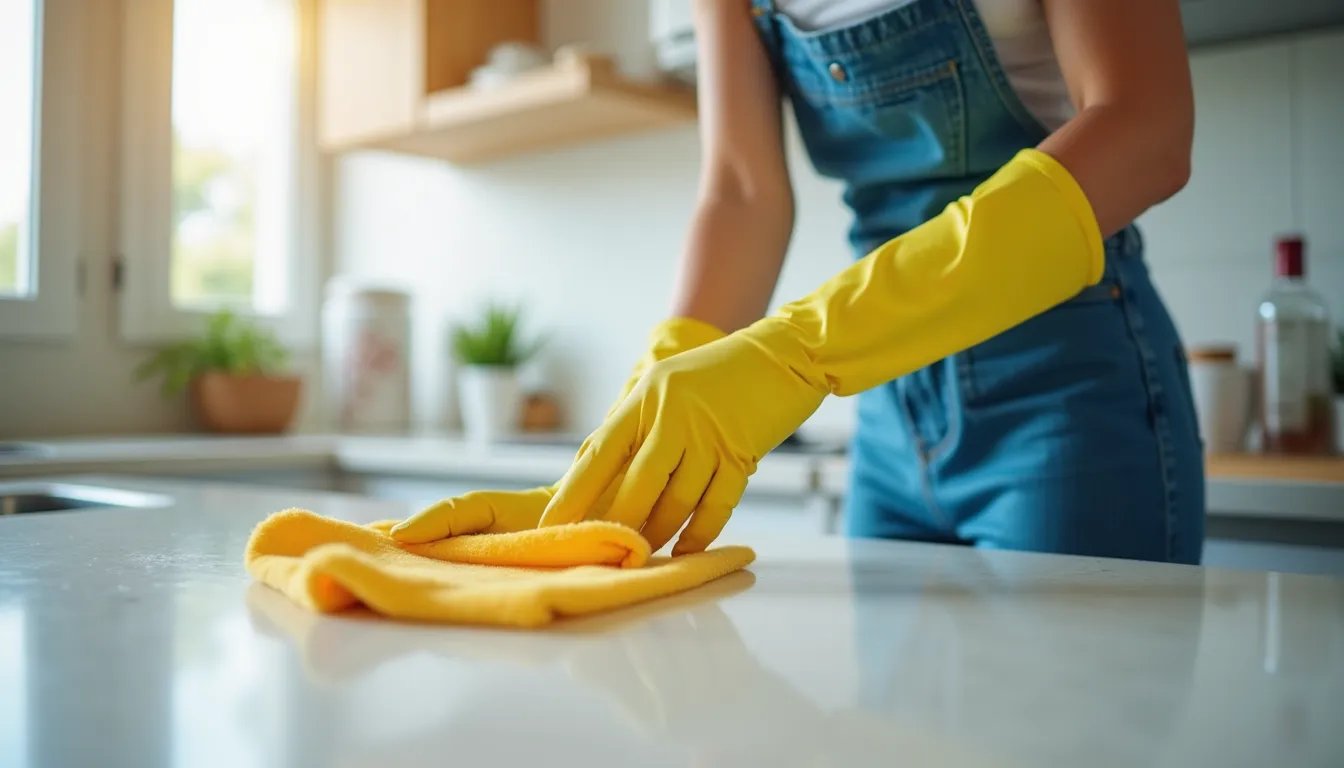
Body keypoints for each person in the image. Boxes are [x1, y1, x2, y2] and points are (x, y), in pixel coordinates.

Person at [394, 0, 1204, 564]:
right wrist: (646, 416)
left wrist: (799, 350)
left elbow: (1148, 126)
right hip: (886, 415)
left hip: (1064, 390)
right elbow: (742, 193)